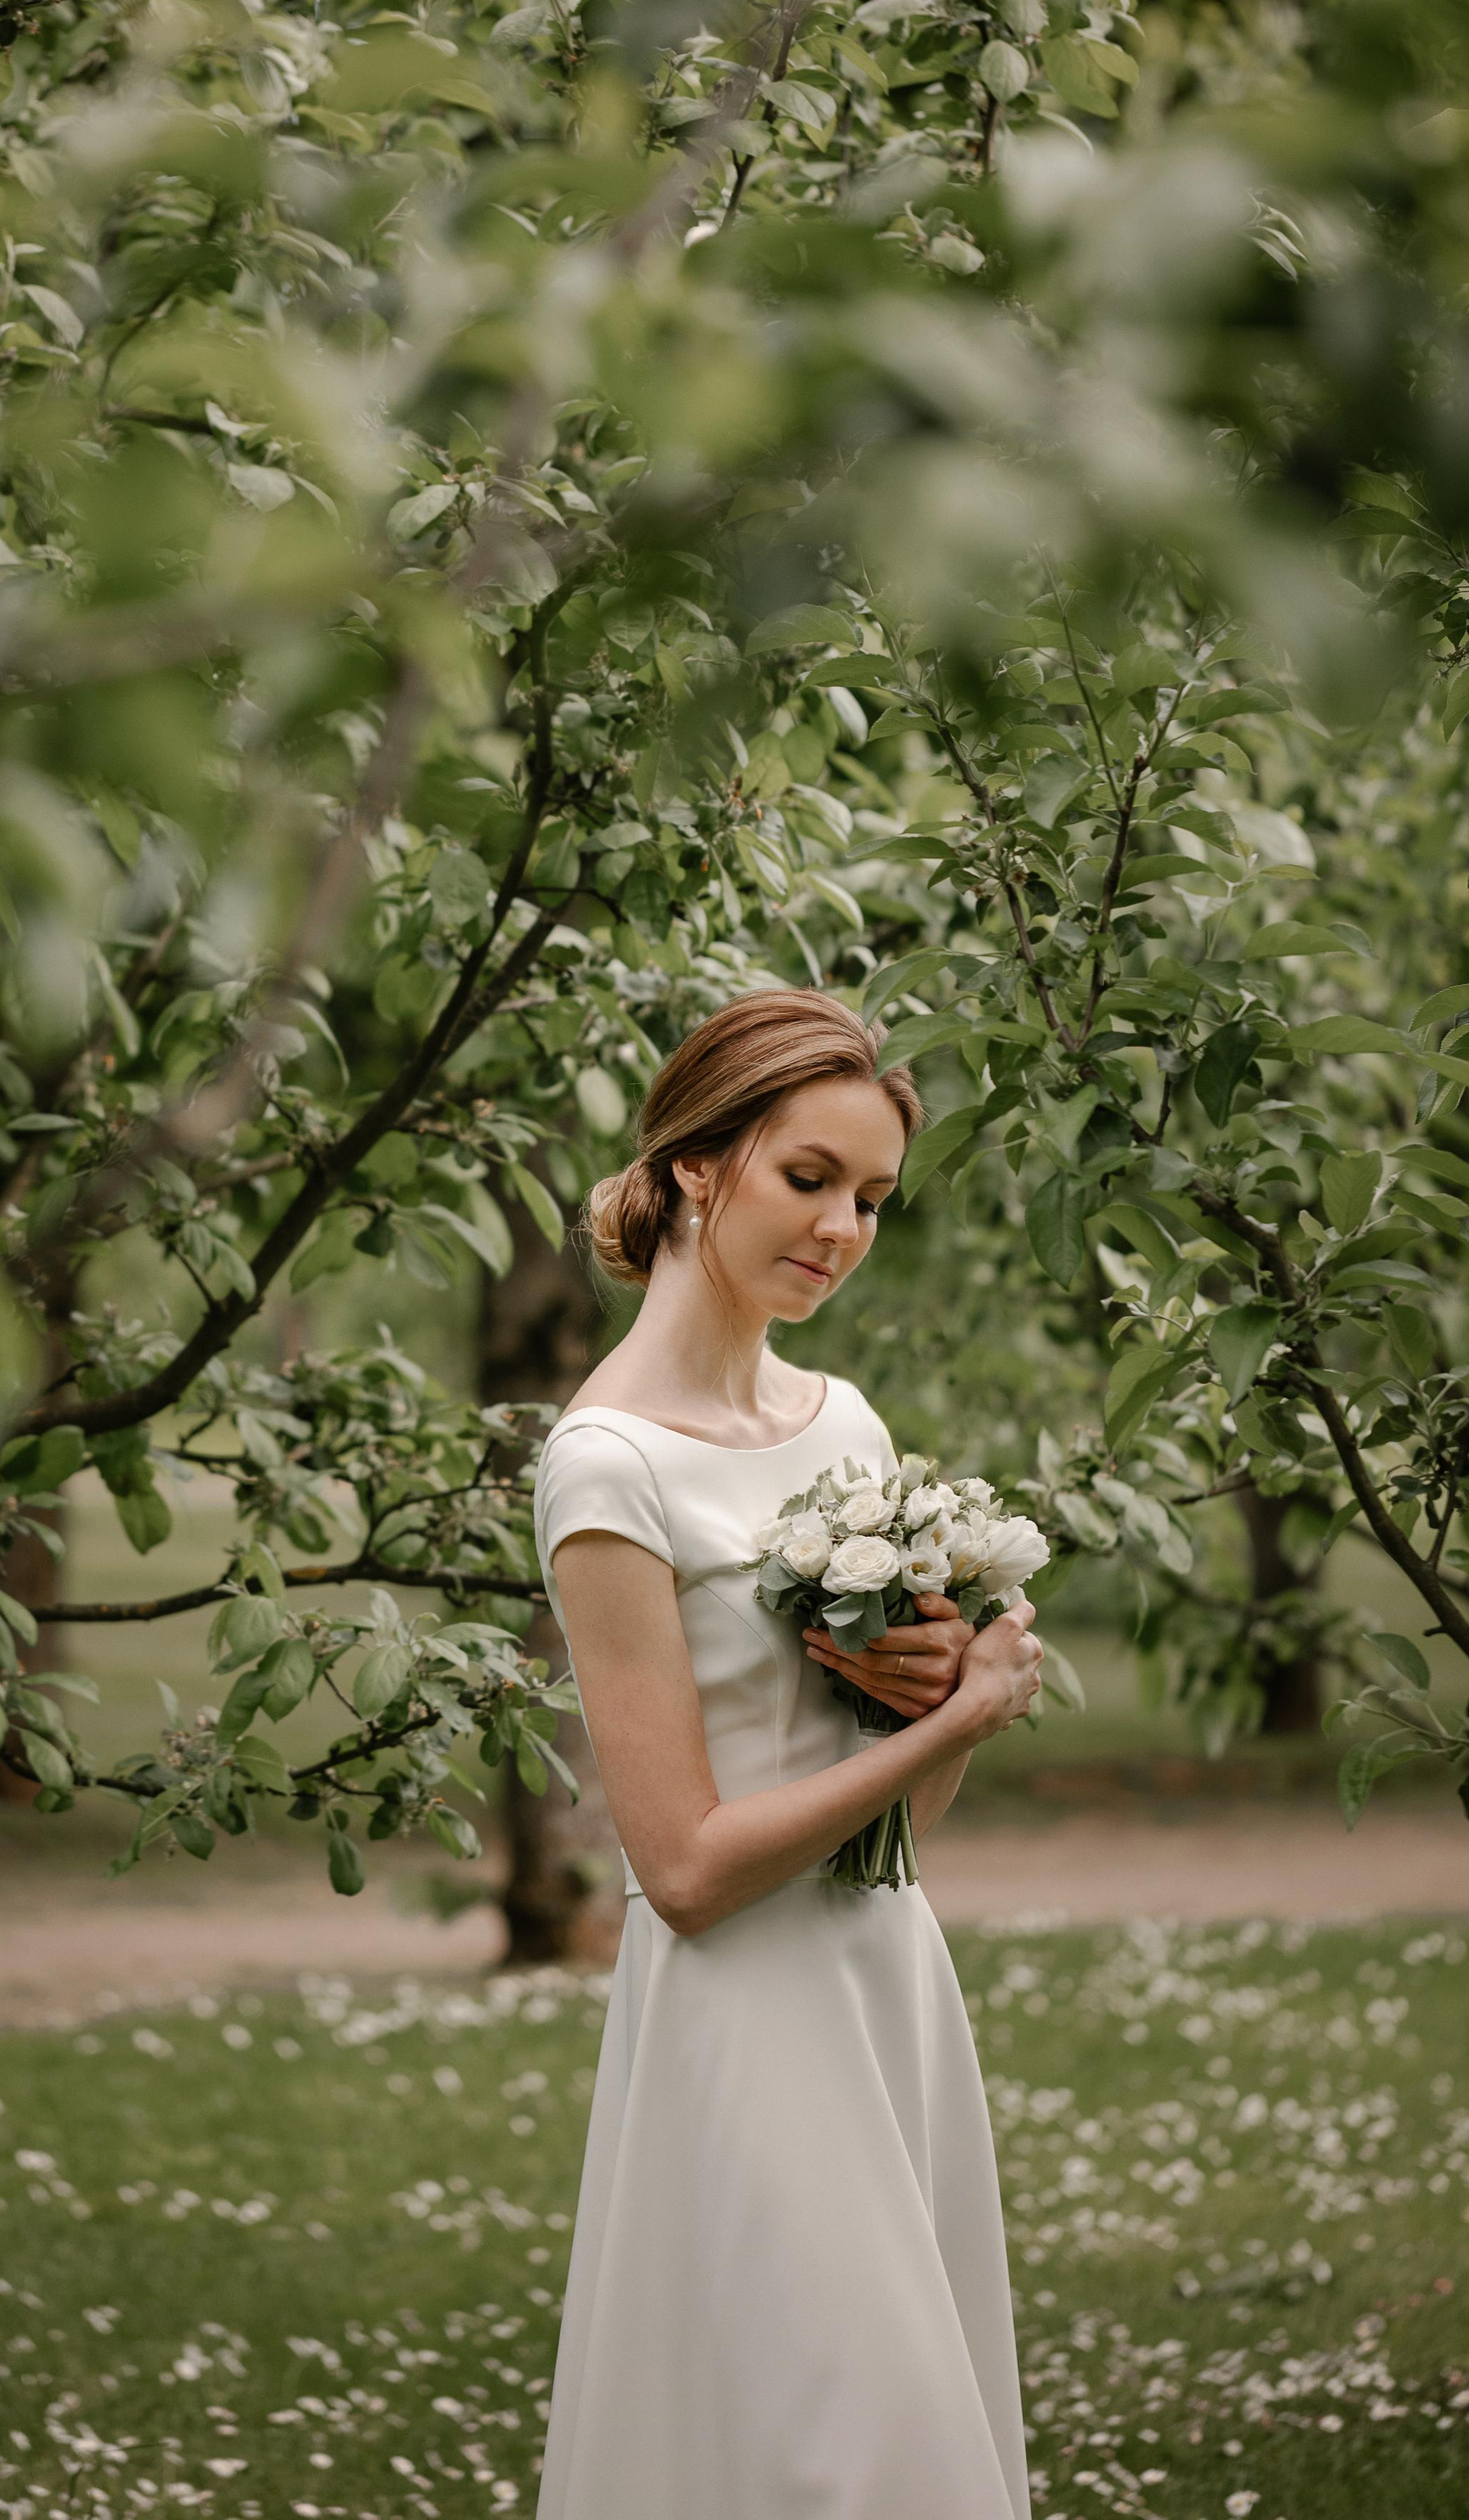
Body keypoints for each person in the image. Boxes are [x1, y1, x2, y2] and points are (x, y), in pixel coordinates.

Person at [533, 988, 1042, 2520]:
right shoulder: (605, 1468)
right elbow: (682, 1871)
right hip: (743, 2020)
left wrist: (934, 1692)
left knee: (901, 2444)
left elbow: (910, 1811)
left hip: (882, 1977)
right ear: (701, 1168)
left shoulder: (848, 1430)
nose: (840, 1229)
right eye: (805, 1178)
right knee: (828, 2450)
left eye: (871, 1199)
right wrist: (947, 1719)